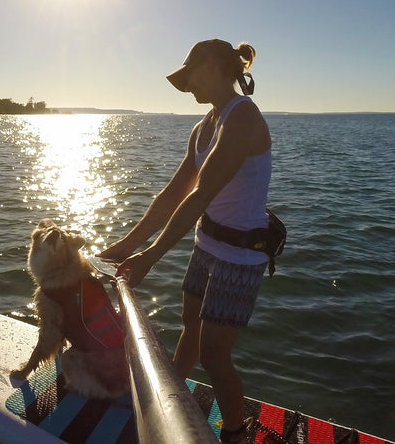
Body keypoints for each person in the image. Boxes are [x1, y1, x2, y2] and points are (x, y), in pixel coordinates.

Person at [99, 39, 272, 444]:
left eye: (189, 76)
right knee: (189, 328)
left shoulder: (242, 118)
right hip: (206, 245)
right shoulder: (202, 126)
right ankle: (169, 396)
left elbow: (201, 194)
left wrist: (150, 257)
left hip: (239, 258)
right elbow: (172, 196)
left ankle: (234, 434)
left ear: (210, 67)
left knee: (214, 356)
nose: (187, 86)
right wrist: (124, 247)